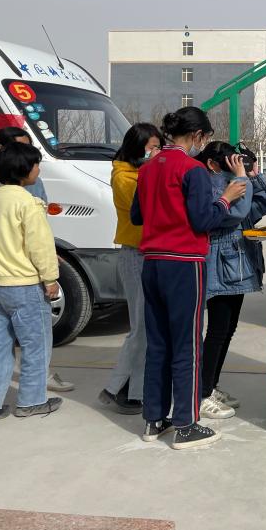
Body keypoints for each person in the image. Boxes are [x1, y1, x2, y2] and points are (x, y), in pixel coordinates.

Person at [131, 107, 246, 450]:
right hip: (184, 262)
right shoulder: (192, 170)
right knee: (187, 345)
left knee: (158, 343)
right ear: (197, 136)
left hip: (152, 261)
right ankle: (186, 423)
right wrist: (226, 199)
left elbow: (137, 215)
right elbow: (203, 220)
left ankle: (154, 418)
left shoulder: (148, 168)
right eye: (205, 138)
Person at [0, 127, 73, 393]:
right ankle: (32, 401)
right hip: (23, 282)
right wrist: (50, 278)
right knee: (35, 345)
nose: (38, 168)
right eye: (34, 163)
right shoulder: (28, 203)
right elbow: (38, 243)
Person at [197, 141, 266, 419]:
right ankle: (201, 394)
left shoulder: (234, 182)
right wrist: (240, 177)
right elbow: (236, 213)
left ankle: (211, 385)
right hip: (221, 265)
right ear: (213, 163)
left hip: (237, 265)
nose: (235, 165)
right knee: (217, 331)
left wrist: (254, 176)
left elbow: (262, 205)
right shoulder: (213, 185)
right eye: (231, 161)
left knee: (227, 329)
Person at [99, 123, 163, 415]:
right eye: (151, 147)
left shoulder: (140, 172)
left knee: (148, 327)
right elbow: (146, 207)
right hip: (136, 254)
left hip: (150, 253)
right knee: (140, 327)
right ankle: (121, 389)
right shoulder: (124, 177)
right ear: (137, 147)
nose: (156, 152)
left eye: (158, 147)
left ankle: (134, 388)